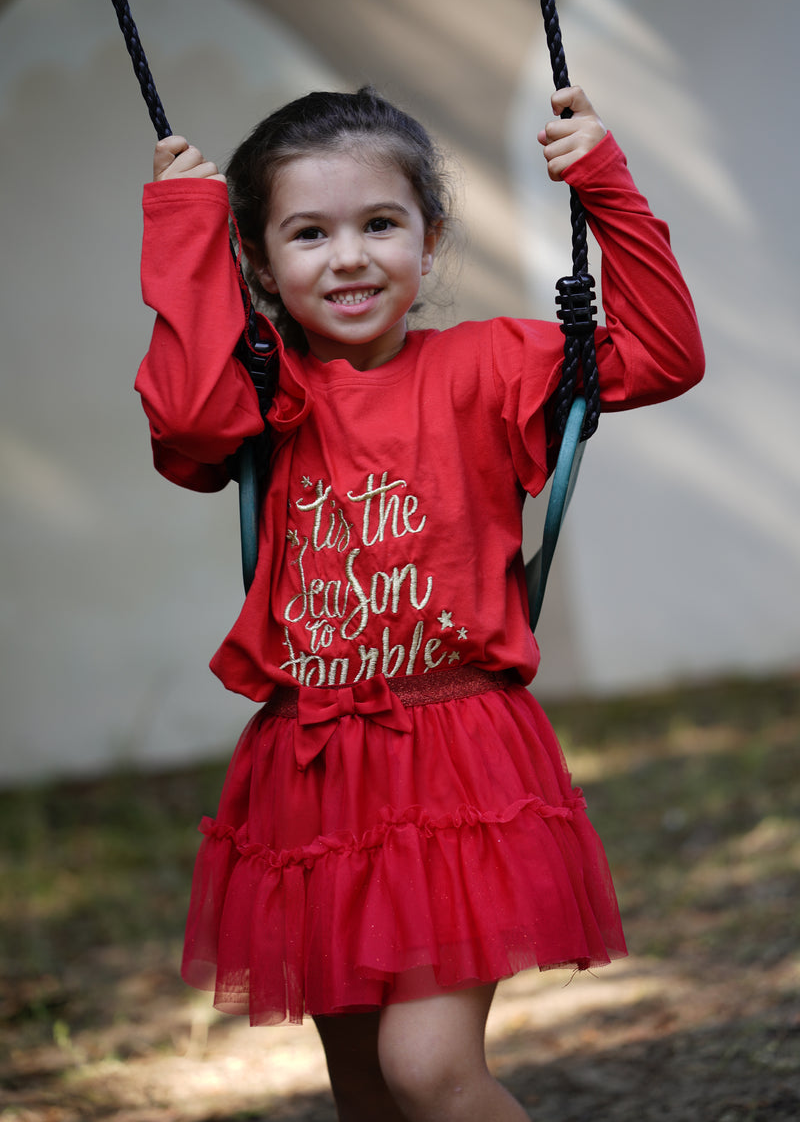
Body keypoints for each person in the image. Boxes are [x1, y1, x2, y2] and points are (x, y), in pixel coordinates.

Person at [136, 85, 704, 1121]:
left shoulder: (491, 364)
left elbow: (663, 356)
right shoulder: (264, 396)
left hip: (455, 754)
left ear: (427, 239)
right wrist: (183, 232)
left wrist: (603, 185)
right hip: (310, 770)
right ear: (258, 265)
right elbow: (183, 417)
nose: (347, 256)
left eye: (379, 223)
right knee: (362, 1086)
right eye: (307, 233)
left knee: (429, 1070)